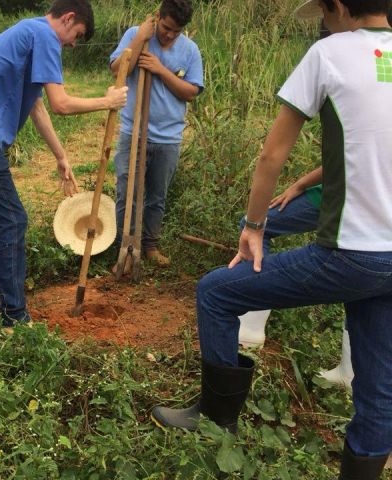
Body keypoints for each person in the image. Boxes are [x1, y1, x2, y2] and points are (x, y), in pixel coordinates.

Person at [151, 1, 392, 478]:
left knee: (217, 292)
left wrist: (254, 226)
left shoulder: (329, 52)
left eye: (324, 11)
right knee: (378, 392)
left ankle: (216, 420)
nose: (322, 22)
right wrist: (311, 180)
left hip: (352, 255)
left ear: (340, 7)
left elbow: (271, 154)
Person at [0, 0, 128, 327]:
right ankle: (15, 317)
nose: (73, 43)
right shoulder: (44, 36)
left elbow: (38, 106)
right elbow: (61, 104)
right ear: (69, 18)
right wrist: (108, 101)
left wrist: (61, 156)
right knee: (13, 220)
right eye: (77, 35)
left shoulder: (29, 32)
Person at [237, 168, 355, 388]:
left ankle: (250, 326)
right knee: (366, 268)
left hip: (345, 191)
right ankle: (351, 372)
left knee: (256, 223)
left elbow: (342, 156)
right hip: (379, 209)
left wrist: (301, 184)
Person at [109, 0, 204, 270]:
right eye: (166, 28)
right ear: (158, 17)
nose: (170, 34)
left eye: (177, 30)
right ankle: (125, 246)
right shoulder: (135, 35)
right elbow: (119, 71)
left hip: (168, 137)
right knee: (127, 190)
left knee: (156, 196)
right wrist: (141, 38)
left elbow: (191, 92)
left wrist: (160, 70)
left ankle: (149, 246)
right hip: (133, 130)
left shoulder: (190, 50)